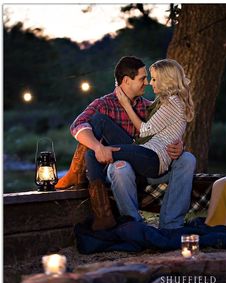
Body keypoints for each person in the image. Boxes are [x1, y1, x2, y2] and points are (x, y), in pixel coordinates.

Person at [56, 56, 196, 229]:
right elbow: (77, 125)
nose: (147, 83)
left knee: (188, 158)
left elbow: (168, 126)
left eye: (149, 78)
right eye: (142, 78)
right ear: (127, 81)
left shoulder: (148, 106)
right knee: (115, 158)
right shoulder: (104, 103)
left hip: (147, 159)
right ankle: (119, 218)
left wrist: (179, 144)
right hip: (121, 163)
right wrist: (99, 147)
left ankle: (171, 223)